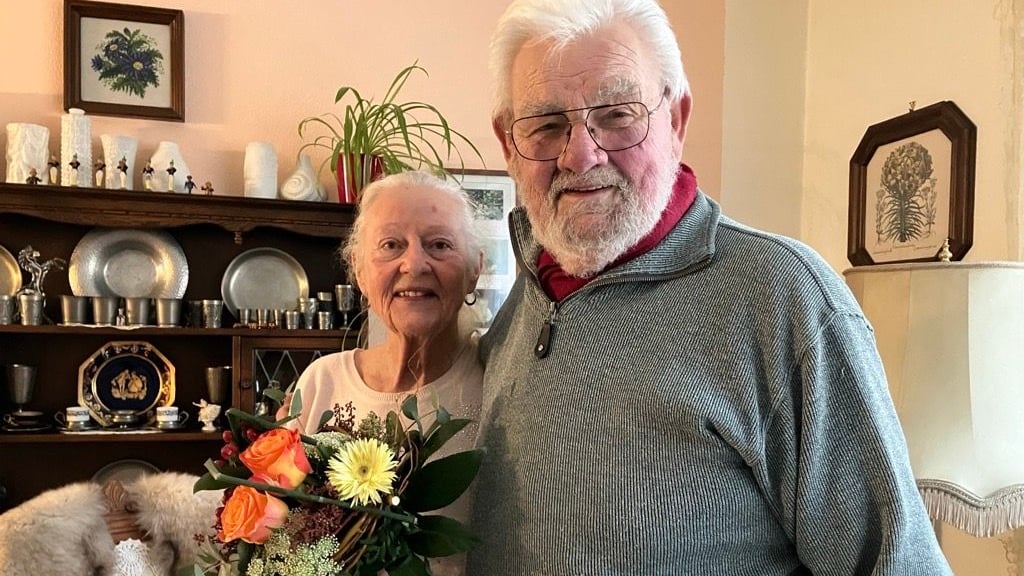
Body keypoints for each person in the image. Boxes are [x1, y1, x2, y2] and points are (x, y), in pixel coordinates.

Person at [468, 1, 952, 575]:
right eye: (546, 125)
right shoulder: (522, 293)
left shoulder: (785, 299)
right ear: (508, 143)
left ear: (676, 119)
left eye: (618, 114)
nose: (581, 154)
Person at [285, 169, 484, 576]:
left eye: (439, 244)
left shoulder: (498, 378)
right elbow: (284, 530)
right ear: (359, 271)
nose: (414, 264)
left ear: (474, 269)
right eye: (391, 245)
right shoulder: (322, 382)